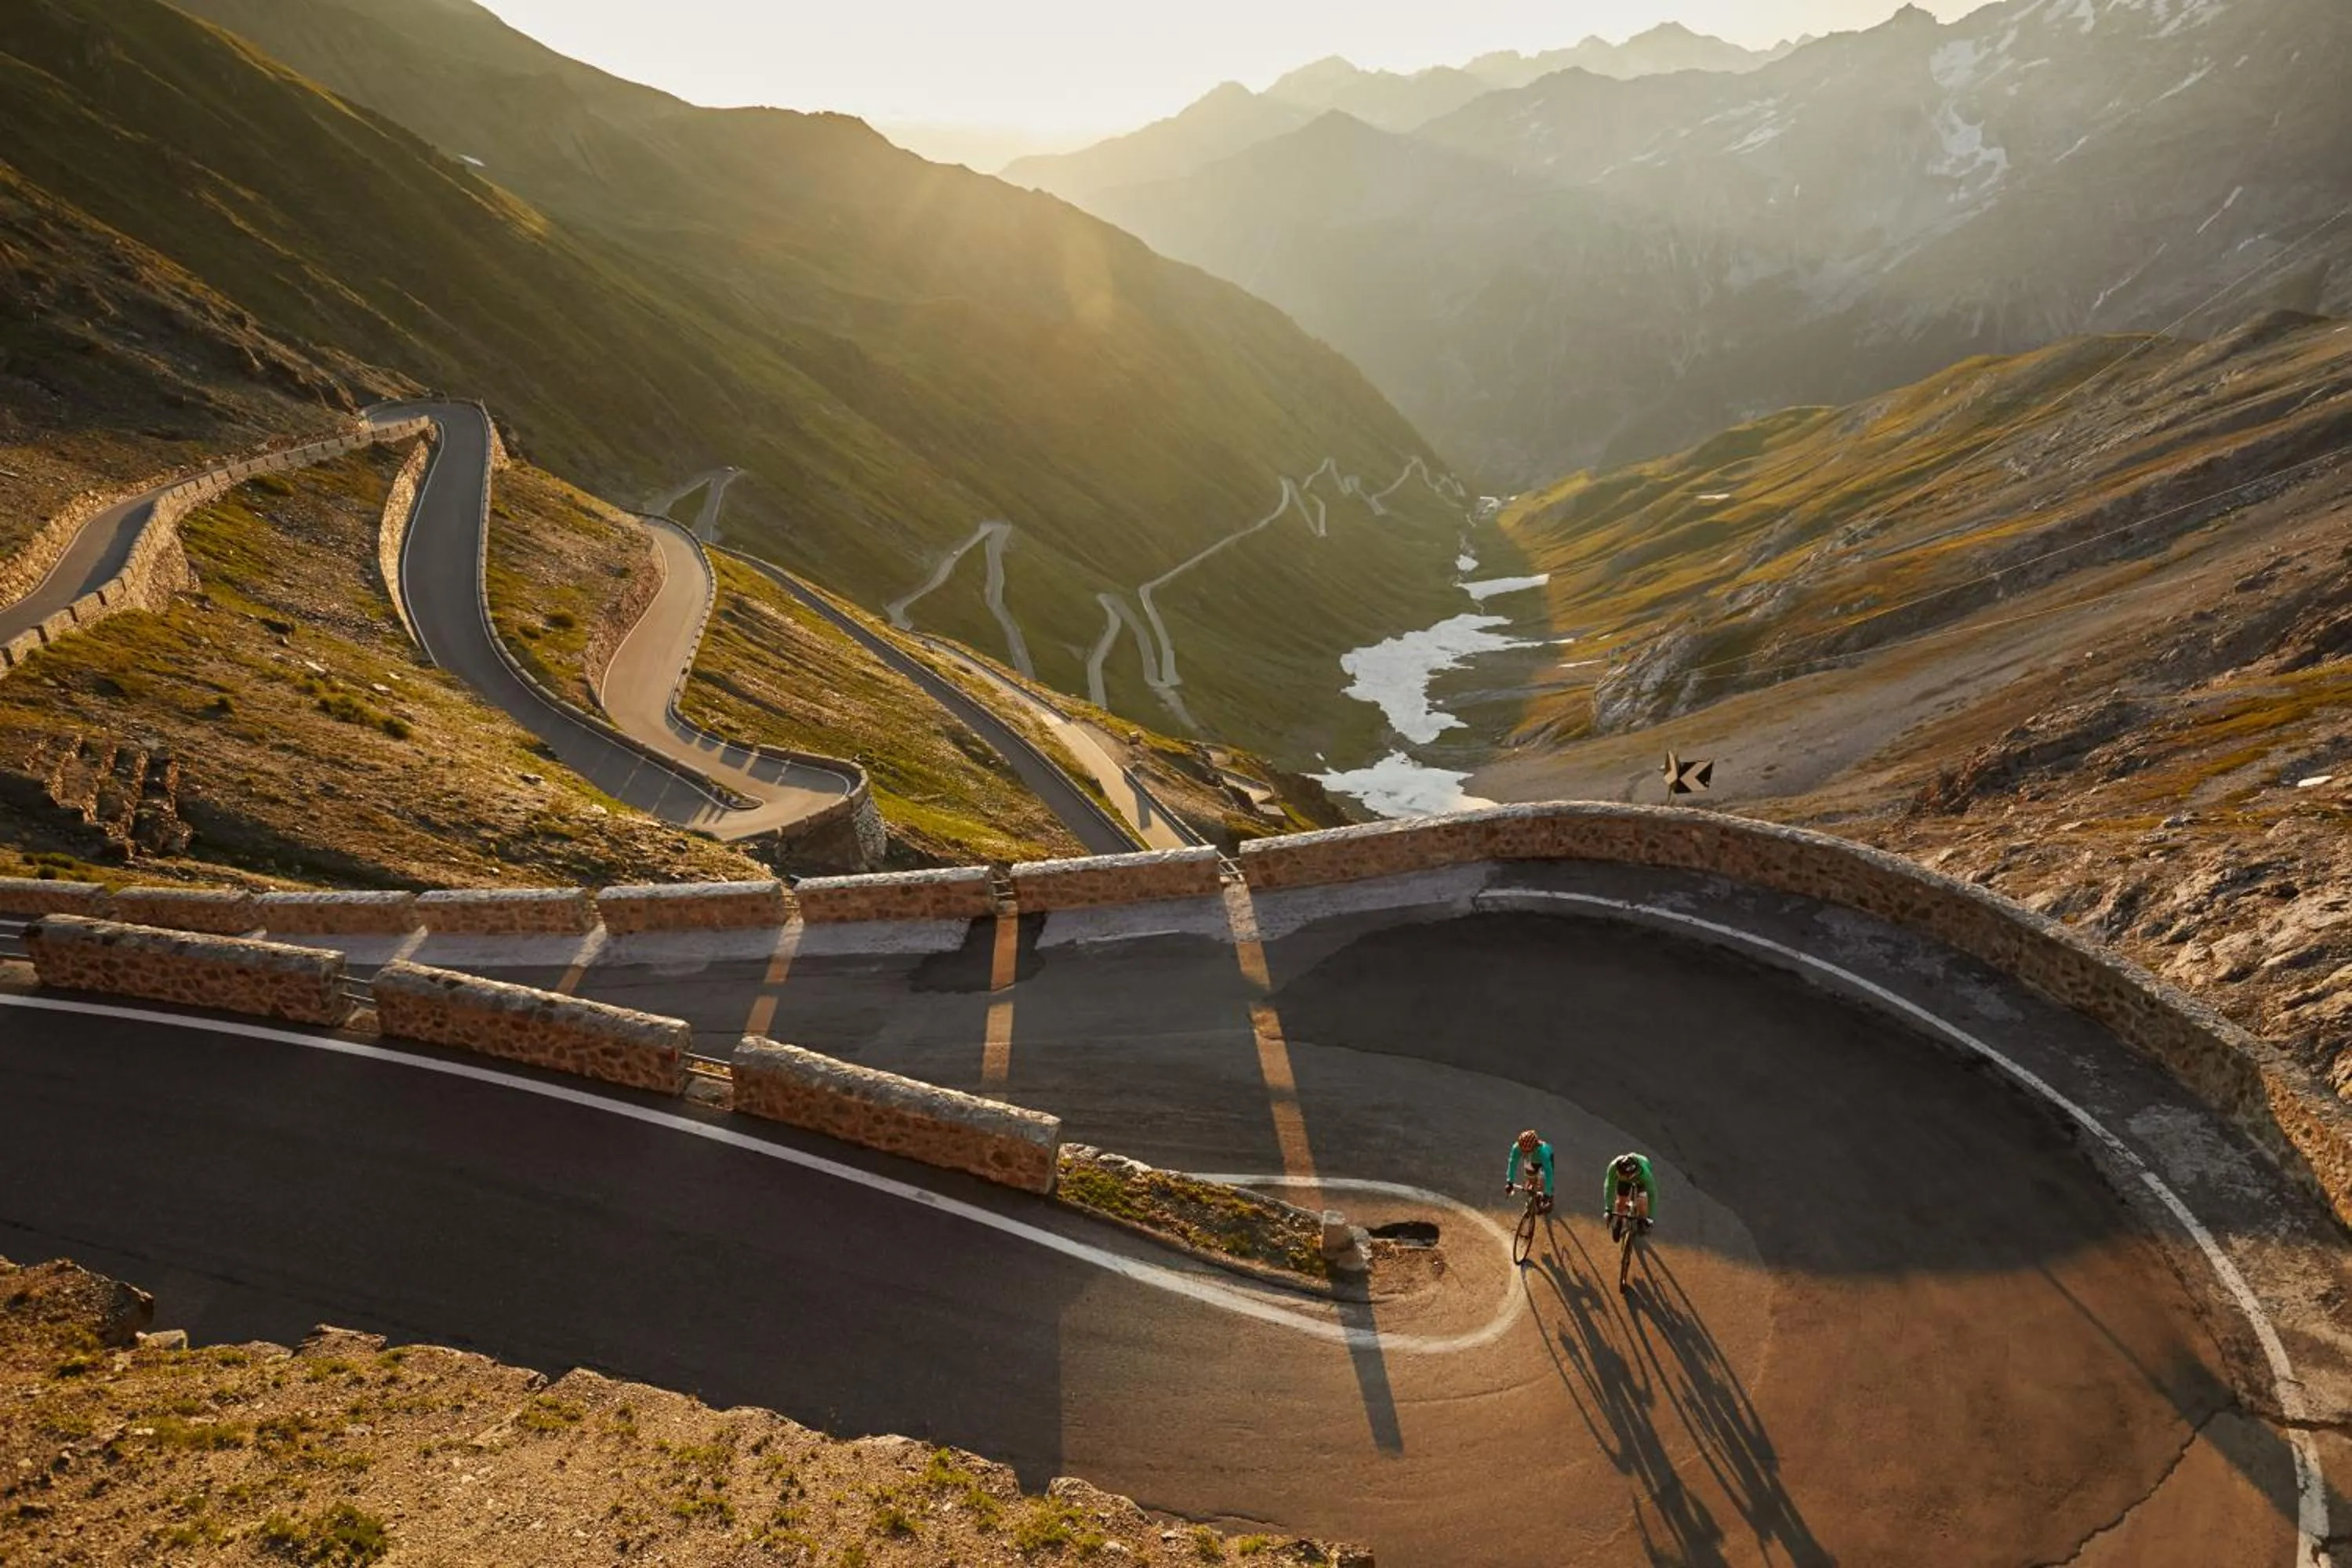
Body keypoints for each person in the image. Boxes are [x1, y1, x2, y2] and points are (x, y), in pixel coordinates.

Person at [1603, 1152, 1657, 1230]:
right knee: (1621, 1201)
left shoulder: (1645, 1175)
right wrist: (1609, 1209)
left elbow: (1652, 1194)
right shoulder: (1614, 1167)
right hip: (1626, 1180)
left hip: (1640, 1179)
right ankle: (1619, 1221)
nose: (1619, 1175)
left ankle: (1641, 1221)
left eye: (1622, 1175)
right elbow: (1609, 1186)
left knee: (1642, 1201)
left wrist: (1650, 1217)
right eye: (1619, 1174)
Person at [1504, 1129, 1554, 1214]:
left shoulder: (1543, 1152)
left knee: (1543, 1178)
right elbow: (1513, 1163)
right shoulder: (1517, 1147)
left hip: (1545, 1161)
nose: (1523, 1153)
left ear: (1535, 1147)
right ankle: (1532, 1185)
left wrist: (1547, 1193)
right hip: (1532, 1160)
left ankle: (1548, 1195)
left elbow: (1549, 1173)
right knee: (1530, 1174)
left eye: (1526, 1151)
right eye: (1522, 1151)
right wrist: (1510, 1181)